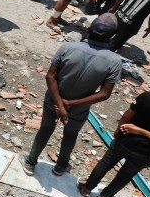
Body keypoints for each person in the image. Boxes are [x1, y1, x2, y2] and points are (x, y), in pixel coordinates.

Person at [22, 14, 122, 176]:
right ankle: (61, 166)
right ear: (112, 36)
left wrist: (60, 105)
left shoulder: (68, 47)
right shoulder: (114, 61)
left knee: (45, 130)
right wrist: (71, 104)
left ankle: (30, 162)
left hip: (53, 101)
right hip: (79, 108)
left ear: (89, 29)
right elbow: (104, 94)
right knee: (70, 134)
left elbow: (50, 76)